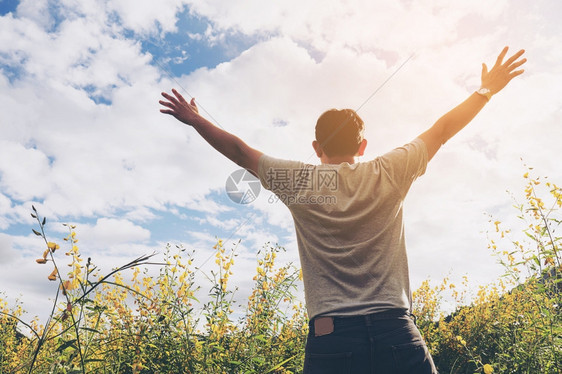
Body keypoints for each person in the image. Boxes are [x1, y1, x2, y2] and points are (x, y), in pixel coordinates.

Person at [159, 46, 526, 373]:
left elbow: (240, 152)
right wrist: (486, 90)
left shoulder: (298, 180)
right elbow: (442, 129)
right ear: (363, 145)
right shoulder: (390, 170)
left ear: (316, 147)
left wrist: (196, 120)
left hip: (330, 338)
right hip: (396, 330)